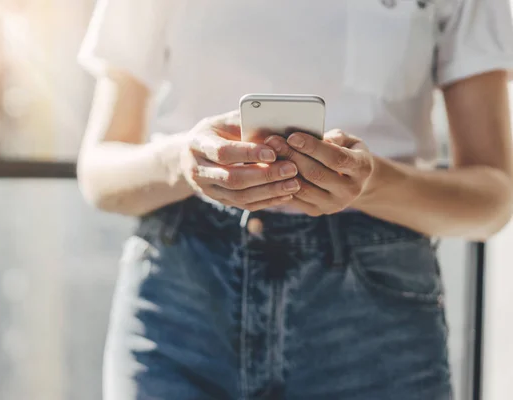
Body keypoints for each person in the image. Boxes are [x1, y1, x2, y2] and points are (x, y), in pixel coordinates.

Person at [76, 1, 513, 399]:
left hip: (374, 321)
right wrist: (183, 160)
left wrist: (371, 181)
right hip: (182, 303)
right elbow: (99, 174)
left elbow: (492, 198)